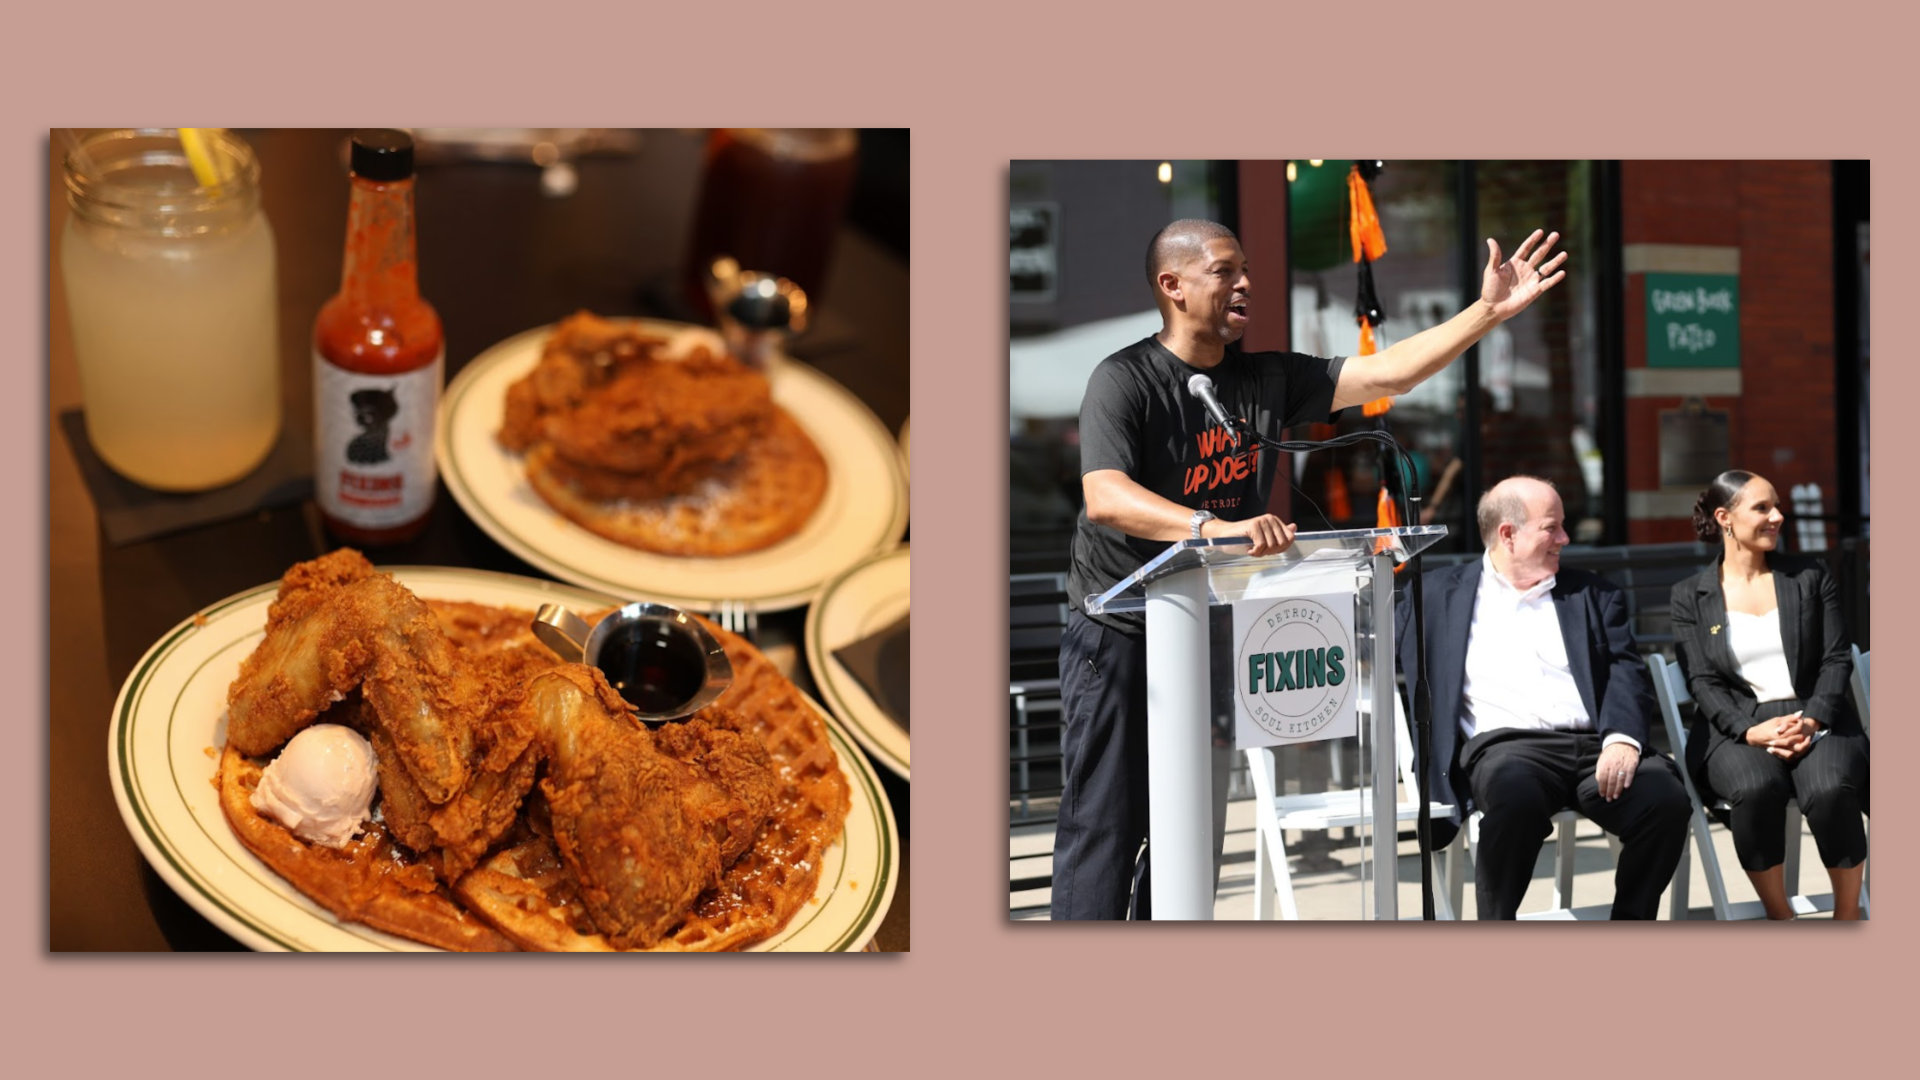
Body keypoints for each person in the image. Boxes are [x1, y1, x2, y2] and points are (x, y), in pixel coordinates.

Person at [1053, 218, 1568, 920]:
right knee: (1107, 825)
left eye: (1247, 269)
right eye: (1225, 271)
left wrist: (1487, 313)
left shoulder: (1265, 377)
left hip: (1205, 631)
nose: (1246, 283)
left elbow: (1391, 372)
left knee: (1190, 827)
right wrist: (1216, 528)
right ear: (1172, 286)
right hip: (1117, 627)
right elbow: (1104, 495)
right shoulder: (1125, 378)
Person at [1395, 476, 1691, 919]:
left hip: (1597, 748)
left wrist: (1623, 740)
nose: (1564, 539)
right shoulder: (1434, 596)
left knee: (1665, 800)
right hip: (1506, 749)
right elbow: (1371, 649)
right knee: (1514, 798)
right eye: (1551, 528)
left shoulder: (1593, 593)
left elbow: (1624, 671)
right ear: (1508, 534)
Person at [1669, 470, 1869, 919]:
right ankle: (1780, 916)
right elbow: (1702, 680)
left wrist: (1813, 718)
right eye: (1762, 507)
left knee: (1830, 787)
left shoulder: (1810, 576)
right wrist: (1749, 730)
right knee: (1755, 787)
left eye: (1777, 505)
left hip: (1820, 715)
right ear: (1725, 518)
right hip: (1738, 725)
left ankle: (1847, 915)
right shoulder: (1690, 596)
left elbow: (1837, 658)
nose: (1778, 516)